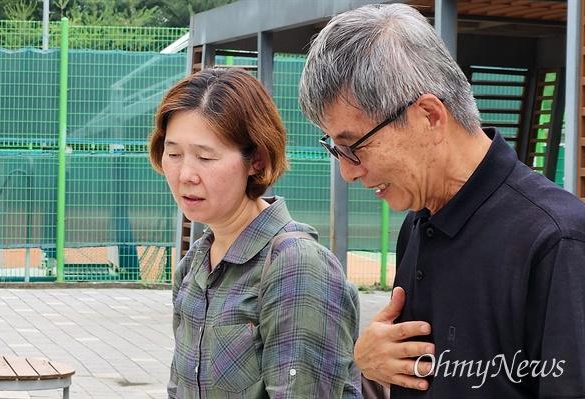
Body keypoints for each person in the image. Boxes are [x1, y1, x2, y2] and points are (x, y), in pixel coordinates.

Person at [299, 3, 585, 398]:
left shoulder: (557, 240)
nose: (348, 172)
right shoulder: (419, 223)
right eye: (336, 150)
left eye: (354, 147)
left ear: (430, 117)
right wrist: (367, 365)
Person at [148, 67, 362, 399]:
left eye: (205, 157)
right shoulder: (193, 265)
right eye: (174, 154)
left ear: (256, 160)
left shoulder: (296, 266)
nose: (185, 174)